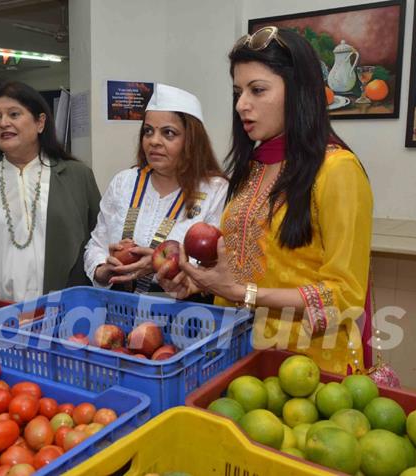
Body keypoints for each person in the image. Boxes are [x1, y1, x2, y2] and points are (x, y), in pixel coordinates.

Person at [159, 27, 373, 375]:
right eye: (238, 92)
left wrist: (244, 294)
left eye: (257, 90)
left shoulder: (337, 171)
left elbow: (344, 297)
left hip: (307, 369)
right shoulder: (253, 168)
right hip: (239, 354)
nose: (242, 104)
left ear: (300, 92)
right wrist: (198, 282)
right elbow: (248, 267)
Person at [0, 81, 101, 302]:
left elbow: (99, 242)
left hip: (65, 314)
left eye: (14, 114)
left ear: (40, 122)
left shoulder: (77, 176)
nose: (3, 123)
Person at [84, 84, 228, 294]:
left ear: (192, 140)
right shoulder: (124, 182)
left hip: (183, 310)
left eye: (168, 133)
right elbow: (95, 245)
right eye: (148, 131)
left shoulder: (215, 190)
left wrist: (161, 264)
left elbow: (216, 264)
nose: (154, 141)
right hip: (118, 307)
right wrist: (104, 269)